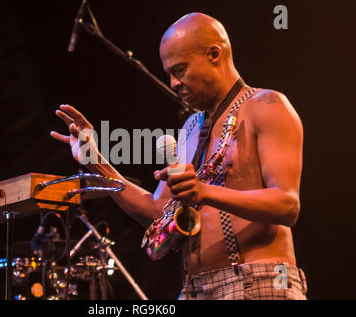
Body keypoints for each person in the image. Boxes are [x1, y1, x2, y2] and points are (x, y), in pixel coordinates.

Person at [51, 12, 307, 300]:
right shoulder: (190, 128)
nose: (173, 83)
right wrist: (94, 160)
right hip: (195, 289)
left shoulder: (267, 105)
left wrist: (203, 191)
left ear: (214, 54)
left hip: (259, 281)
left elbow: (287, 204)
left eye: (180, 69)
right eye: (169, 74)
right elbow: (158, 212)